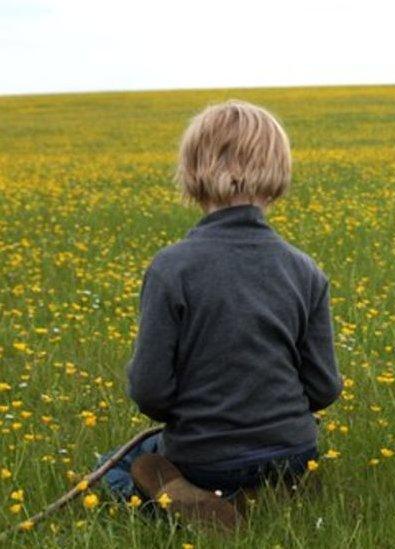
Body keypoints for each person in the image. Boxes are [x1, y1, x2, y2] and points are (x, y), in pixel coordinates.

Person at [100, 100, 342, 529]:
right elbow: (323, 388)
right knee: (267, 461)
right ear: (278, 174)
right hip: (294, 453)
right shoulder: (304, 269)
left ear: (192, 173)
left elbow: (150, 391)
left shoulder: (171, 268)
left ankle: (179, 501)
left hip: (205, 457)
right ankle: (271, 491)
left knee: (112, 468)